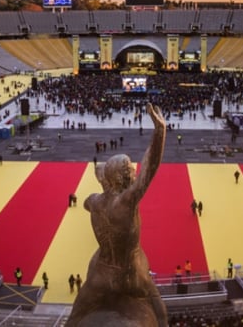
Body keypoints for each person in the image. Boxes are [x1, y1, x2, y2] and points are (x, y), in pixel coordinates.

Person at [67, 103, 167, 327]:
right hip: (132, 272)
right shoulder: (126, 203)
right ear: (122, 178)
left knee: (76, 315)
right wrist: (160, 132)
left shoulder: (94, 201)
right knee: (158, 306)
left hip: (101, 274)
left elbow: (88, 202)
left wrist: (103, 183)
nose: (135, 173)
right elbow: (149, 170)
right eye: (131, 170)